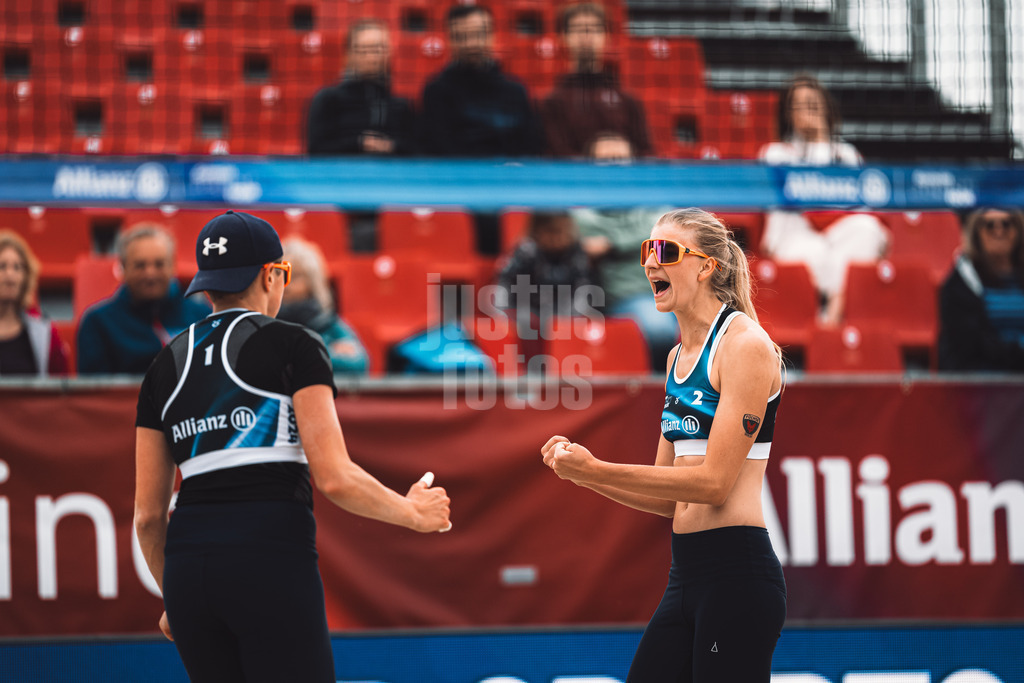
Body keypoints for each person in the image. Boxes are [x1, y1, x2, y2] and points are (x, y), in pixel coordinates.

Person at [134, 210, 451, 683]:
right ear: (272, 275)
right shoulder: (295, 344)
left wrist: (171, 595)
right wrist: (413, 512)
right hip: (268, 558)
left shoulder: (163, 364)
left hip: (187, 572)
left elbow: (147, 516)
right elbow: (335, 477)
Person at [541, 208, 786, 682]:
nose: (651, 262)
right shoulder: (677, 356)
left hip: (737, 575)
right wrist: (583, 476)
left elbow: (713, 485)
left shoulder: (744, 345)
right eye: (646, 250)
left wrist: (595, 471)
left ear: (706, 265)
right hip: (687, 576)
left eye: (666, 251)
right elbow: (668, 496)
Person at [757, 74, 889, 326]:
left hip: (839, 234)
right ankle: (834, 311)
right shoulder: (775, 153)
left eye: (814, 102)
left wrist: (821, 137)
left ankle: (830, 315)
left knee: (867, 230)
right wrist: (816, 142)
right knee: (820, 255)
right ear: (788, 113)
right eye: (800, 103)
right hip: (795, 234)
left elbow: (861, 207)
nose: (808, 109)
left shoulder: (846, 153)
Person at [77, 223, 210, 375]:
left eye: (159, 264)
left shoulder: (202, 318)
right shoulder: (98, 323)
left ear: (172, 266)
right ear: (123, 268)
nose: (150, 274)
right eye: (140, 265)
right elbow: (96, 393)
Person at [418, 4, 543, 157]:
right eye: (461, 36)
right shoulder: (436, 91)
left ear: (492, 35)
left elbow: (530, 145)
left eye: (479, 34)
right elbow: (438, 148)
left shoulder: (516, 91)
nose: (472, 44)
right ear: (450, 40)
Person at [541, 2, 652, 158]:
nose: (587, 36)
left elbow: (647, 153)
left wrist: (628, 151)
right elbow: (557, 156)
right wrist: (593, 153)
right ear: (563, 36)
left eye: (594, 29)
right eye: (578, 29)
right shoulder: (552, 103)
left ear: (607, 36)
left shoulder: (628, 101)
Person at [307, 19, 415, 156]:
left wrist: (391, 147)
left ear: (389, 53)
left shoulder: (402, 106)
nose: (371, 57)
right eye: (364, 50)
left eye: (377, 49)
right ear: (349, 54)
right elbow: (317, 149)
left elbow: (416, 151)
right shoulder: (327, 100)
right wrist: (359, 144)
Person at [938, 207, 1024, 371]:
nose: (999, 231)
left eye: (1006, 224)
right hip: (985, 378)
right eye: (990, 225)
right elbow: (965, 346)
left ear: (1018, 228)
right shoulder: (961, 282)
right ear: (977, 231)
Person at [496, 210, 601, 334]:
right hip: (529, 317)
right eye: (552, 232)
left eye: (565, 231)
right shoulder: (526, 252)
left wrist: (570, 321)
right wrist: (507, 317)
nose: (559, 238)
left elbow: (583, 290)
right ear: (537, 231)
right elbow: (505, 287)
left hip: (566, 317)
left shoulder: (577, 254)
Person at [278, 236, 369, 374]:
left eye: (295, 276)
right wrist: (326, 352)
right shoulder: (262, 321)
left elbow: (358, 364)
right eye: (281, 274)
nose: (287, 284)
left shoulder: (329, 324)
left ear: (312, 282)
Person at [0, 230, 68, 376]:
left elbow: (60, 389)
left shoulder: (45, 332)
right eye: (2, 266)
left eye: (17, 267)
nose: (10, 274)